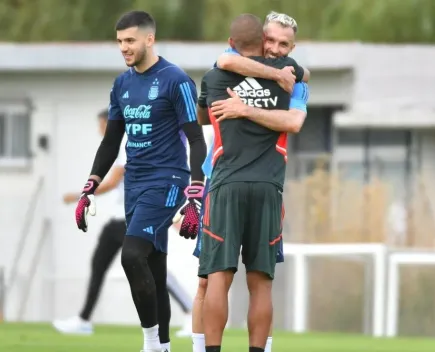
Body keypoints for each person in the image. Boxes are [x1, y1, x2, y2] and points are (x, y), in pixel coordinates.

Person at [73, 11, 206, 352]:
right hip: (135, 183)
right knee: (152, 268)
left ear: (149, 39)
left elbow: (196, 138)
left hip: (168, 181)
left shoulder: (176, 80)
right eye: (119, 42)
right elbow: (110, 142)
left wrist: (195, 192)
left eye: (130, 40)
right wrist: (90, 186)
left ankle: (149, 343)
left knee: (131, 255)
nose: (124, 48)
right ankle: (163, 345)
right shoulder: (122, 84)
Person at [189, 11, 309, 352]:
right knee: (261, 283)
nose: (274, 48)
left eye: (283, 44)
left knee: (216, 278)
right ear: (261, 40)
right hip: (268, 188)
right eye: (270, 40)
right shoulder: (290, 83)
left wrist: (244, 109)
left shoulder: (216, 76)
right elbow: (292, 117)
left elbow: (201, 117)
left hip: (225, 186)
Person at [53, 111, 194, 339]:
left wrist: (81, 194)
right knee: (99, 265)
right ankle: (84, 319)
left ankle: (190, 312)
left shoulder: (129, 144)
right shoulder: (122, 145)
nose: (100, 131)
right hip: (119, 220)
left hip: (132, 219)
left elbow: (111, 183)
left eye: (102, 126)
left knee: (154, 268)